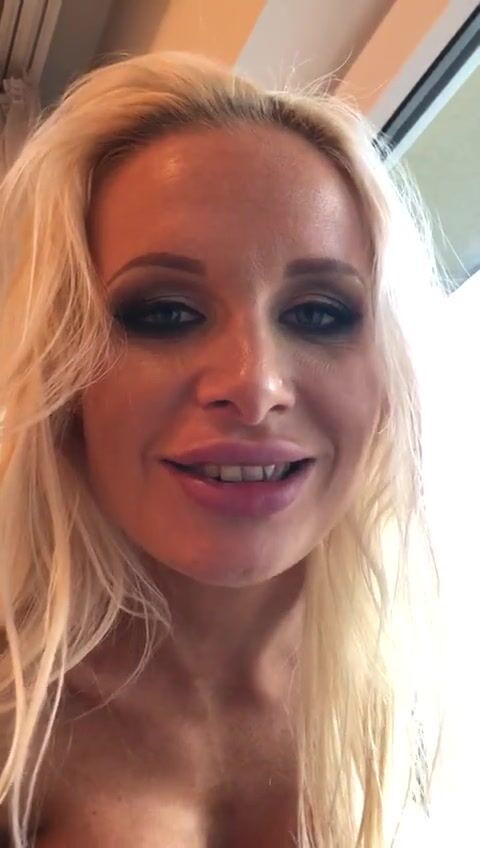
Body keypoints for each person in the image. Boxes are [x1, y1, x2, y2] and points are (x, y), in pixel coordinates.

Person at [0, 52, 444, 847]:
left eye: (318, 314)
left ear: (385, 380)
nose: (255, 385)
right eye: (166, 313)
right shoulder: (15, 718)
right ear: (63, 377)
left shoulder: (408, 695)